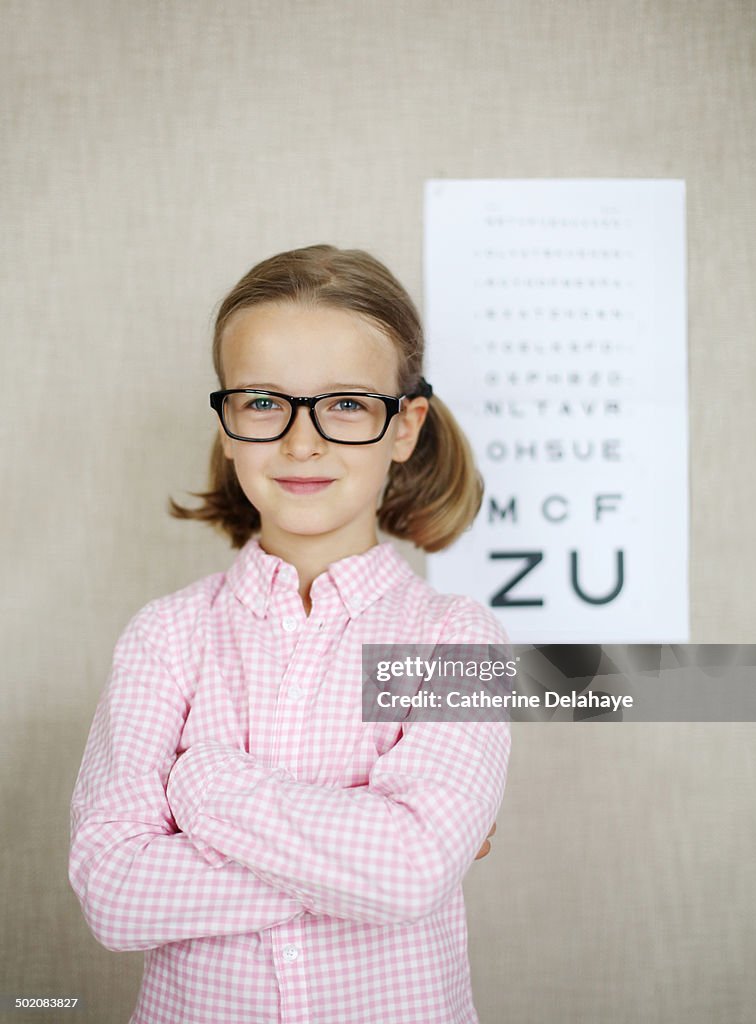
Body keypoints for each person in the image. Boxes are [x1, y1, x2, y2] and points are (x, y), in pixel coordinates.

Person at [69, 244, 511, 1024]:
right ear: (230, 424)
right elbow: (115, 893)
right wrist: (354, 871)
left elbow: (409, 872)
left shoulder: (454, 640)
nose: (301, 443)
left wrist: (205, 785)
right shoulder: (166, 637)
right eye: (265, 402)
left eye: (345, 404)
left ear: (403, 427)